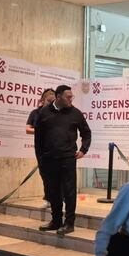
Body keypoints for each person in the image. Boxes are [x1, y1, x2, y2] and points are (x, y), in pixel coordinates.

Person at [33, 85, 91, 236]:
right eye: (68, 97)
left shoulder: (76, 113)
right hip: (49, 159)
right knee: (53, 191)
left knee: (69, 192)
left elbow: (86, 133)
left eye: (72, 97)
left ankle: (69, 223)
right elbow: (38, 138)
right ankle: (56, 221)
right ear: (58, 97)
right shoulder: (44, 113)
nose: (71, 99)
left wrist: (83, 149)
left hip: (67, 159)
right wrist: (40, 158)